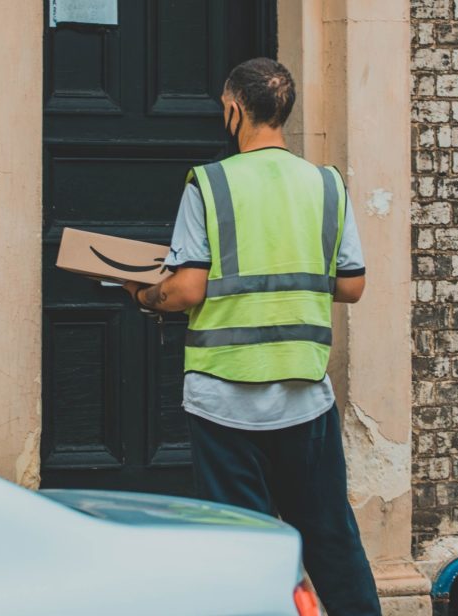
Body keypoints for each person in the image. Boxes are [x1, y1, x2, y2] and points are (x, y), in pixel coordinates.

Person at [123, 57, 381, 616]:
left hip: (224, 402)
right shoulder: (326, 183)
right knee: (332, 542)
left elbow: (186, 290)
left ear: (234, 108)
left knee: (242, 549)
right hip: (304, 399)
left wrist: (145, 297)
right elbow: (353, 285)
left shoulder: (210, 184)